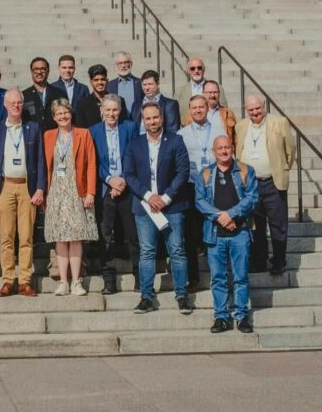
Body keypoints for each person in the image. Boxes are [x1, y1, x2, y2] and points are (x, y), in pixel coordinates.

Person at [123, 102, 192, 315]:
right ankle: (146, 297)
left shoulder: (176, 141)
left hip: (171, 206)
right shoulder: (134, 143)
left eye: (155, 117)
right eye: (148, 119)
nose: (152, 122)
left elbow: (183, 171)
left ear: (161, 118)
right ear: (143, 120)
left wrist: (165, 197)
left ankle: (182, 295)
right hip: (145, 207)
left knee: (177, 251)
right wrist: (148, 196)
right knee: (147, 252)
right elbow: (129, 175)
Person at [0, 88, 46, 296]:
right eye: (12, 103)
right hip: (5, 186)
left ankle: (25, 280)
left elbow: (40, 159)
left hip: (27, 186)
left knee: (27, 236)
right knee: (6, 236)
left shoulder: (33, 128)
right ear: (5, 104)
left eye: (19, 102)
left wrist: (40, 187)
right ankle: (8, 279)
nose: (16, 106)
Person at [196, 135, 259, 334]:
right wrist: (220, 217)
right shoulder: (205, 174)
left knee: (240, 276)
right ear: (214, 151)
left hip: (240, 232)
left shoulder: (246, 171)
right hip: (215, 234)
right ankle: (221, 317)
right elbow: (200, 201)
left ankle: (241, 316)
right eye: (220, 148)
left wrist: (231, 215)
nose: (224, 151)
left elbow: (252, 198)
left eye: (227, 147)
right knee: (218, 278)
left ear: (232, 148)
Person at [235, 94, 296, 276]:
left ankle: (279, 261)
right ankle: (259, 261)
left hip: (272, 182)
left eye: (258, 108)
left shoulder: (279, 122)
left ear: (264, 106)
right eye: (251, 110)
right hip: (251, 185)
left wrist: (282, 168)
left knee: (278, 224)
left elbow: (290, 150)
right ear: (247, 110)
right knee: (256, 225)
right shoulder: (241, 126)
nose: (255, 113)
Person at [43, 99, 98, 296]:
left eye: (65, 112)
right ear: (53, 117)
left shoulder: (83, 134)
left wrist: (90, 191)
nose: (63, 117)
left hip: (77, 191)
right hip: (56, 192)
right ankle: (63, 281)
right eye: (59, 114)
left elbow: (91, 163)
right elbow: (45, 166)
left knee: (75, 238)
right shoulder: (48, 136)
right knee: (59, 237)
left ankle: (76, 281)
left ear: (71, 113)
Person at [89, 94, 138, 294]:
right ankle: (108, 279)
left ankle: (139, 277)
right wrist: (110, 180)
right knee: (105, 236)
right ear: (101, 110)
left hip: (127, 188)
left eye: (115, 110)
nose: (111, 114)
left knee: (133, 235)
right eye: (107, 110)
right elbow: (94, 162)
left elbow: (134, 154)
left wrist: (123, 180)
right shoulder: (93, 131)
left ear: (120, 110)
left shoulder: (130, 127)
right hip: (105, 189)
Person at [177, 95, 227, 292]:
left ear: (207, 108)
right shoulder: (182, 133)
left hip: (215, 185)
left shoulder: (218, 130)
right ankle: (194, 278)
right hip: (192, 186)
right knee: (191, 235)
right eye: (194, 108)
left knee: (217, 231)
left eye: (201, 107)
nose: (198, 110)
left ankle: (219, 276)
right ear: (189, 111)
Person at [181, 80, 237, 149]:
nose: (213, 95)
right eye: (210, 92)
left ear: (219, 94)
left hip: (222, 154)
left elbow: (234, 140)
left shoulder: (228, 113)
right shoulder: (193, 116)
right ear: (203, 93)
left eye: (215, 92)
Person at [23, 56, 65, 131]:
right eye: (36, 69)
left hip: (54, 137)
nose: (39, 72)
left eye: (43, 69)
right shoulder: (24, 95)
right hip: (33, 139)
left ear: (48, 71)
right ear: (31, 72)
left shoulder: (59, 93)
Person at [74, 64, 110, 128]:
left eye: (102, 79)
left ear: (107, 81)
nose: (100, 82)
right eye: (96, 80)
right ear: (90, 82)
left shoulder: (119, 101)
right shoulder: (82, 104)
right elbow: (81, 130)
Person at [108, 51, 143, 117]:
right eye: (120, 63)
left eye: (126, 62)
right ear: (115, 66)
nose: (123, 66)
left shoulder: (140, 83)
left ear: (131, 64)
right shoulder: (110, 85)